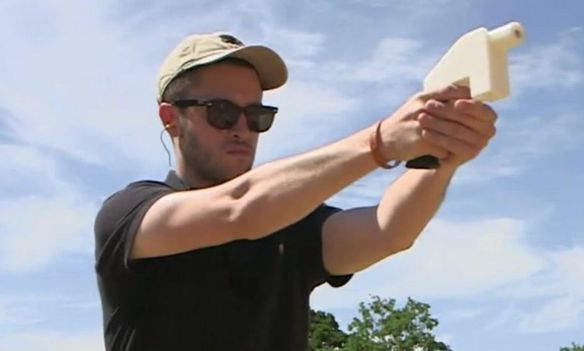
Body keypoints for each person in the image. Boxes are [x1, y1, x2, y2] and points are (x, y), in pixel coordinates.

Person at [94, 31, 497, 350]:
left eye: (257, 115)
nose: (242, 127)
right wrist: (380, 142)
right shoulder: (130, 215)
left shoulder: (289, 223)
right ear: (172, 119)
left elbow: (388, 231)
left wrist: (440, 152)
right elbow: (242, 209)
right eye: (221, 112)